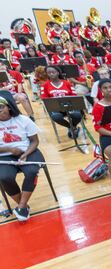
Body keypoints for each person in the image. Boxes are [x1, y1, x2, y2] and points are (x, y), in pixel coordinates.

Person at [0, 91, 45, 221]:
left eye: (1, 107)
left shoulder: (23, 120)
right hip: (4, 155)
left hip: (28, 151)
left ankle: (21, 205)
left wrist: (25, 154)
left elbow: (35, 141)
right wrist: (8, 148)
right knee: (4, 177)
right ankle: (23, 206)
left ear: (8, 106)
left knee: (32, 171)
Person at [40, 65, 82, 139]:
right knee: (56, 117)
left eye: (53, 72)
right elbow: (44, 98)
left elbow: (74, 95)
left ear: (58, 73)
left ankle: (73, 127)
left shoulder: (67, 83)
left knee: (77, 115)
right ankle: (71, 127)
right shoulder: (45, 85)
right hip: (56, 108)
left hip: (70, 106)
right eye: (49, 73)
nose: (51, 74)